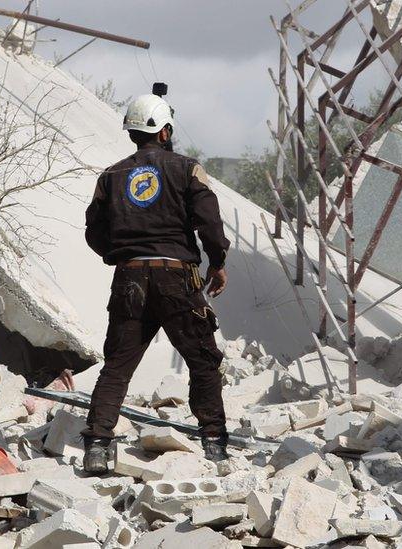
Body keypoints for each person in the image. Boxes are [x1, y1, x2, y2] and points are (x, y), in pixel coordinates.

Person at [81, 86, 231, 474]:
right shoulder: (186, 169)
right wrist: (218, 262)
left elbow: (94, 232)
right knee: (202, 361)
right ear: (165, 131)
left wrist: (118, 256)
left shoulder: (111, 176)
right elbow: (210, 223)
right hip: (176, 278)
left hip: (128, 279)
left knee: (116, 366)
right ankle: (214, 443)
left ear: (132, 133)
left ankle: (97, 446)